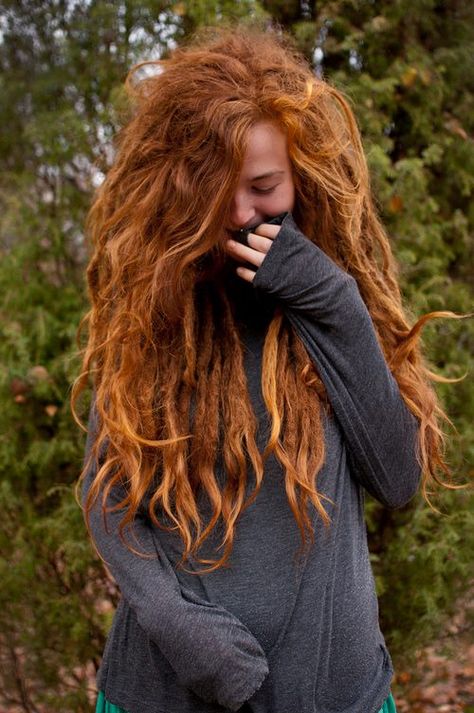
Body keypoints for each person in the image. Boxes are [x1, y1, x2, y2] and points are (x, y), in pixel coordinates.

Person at [73, 23, 454, 713]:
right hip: (163, 695)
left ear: (302, 178)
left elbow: (397, 476)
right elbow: (108, 497)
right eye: (217, 196)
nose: (242, 216)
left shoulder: (336, 296)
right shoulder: (155, 308)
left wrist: (328, 297)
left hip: (340, 697)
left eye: (263, 187)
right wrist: (184, 630)